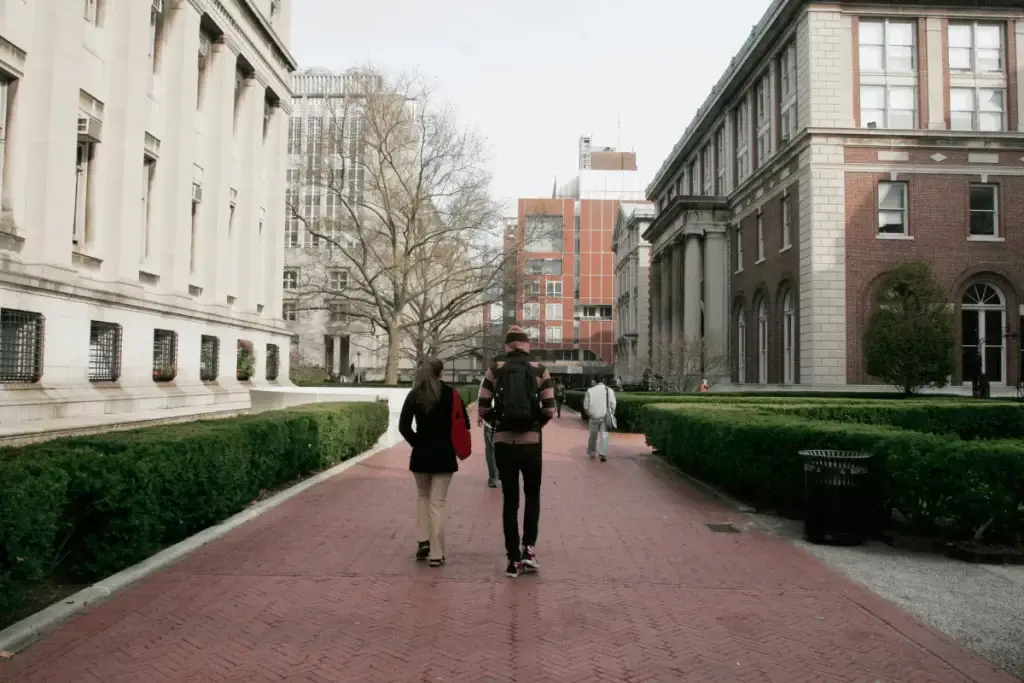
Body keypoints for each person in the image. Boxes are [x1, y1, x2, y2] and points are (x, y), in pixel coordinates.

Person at [478, 327, 556, 577]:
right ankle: (529, 551)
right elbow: (550, 409)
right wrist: (534, 425)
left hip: (503, 444)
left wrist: (499, 423)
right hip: (532, 444)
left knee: (510, 501)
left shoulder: (495, 370)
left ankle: (512, 559)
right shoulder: (539, 370)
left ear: (507, 347)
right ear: (527, 346)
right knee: (532, 495)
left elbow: (482, 407)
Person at [398, 358, 469, 567]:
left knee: (423, 497)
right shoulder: (452, 394)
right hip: (445, 454)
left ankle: (423, 541)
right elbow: (463, 422)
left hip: (421, 454)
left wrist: (417, 442)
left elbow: (403, 426)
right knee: (438, 502)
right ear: (441, 373)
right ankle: (437, 554)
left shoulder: (415, 394)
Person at [583, 377, 617, 462]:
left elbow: (585, 406)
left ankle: (592, 452)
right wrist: (611, 413)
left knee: (593, 436)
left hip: (593, 417)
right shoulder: (609, 390)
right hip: (605, 417)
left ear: (595, 381)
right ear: (604, 381)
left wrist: (590, 414)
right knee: (604, 435)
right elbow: (613, 404)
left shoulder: (590, 390)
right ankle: (603, 454)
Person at [478, 373, 500, 488]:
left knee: (491, 449)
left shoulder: (489, 378)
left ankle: (494, 477)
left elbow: (481, 397)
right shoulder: (515, 376)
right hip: (508, 421)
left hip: (491, 420)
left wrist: (480, 415)